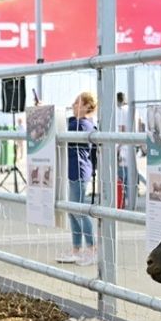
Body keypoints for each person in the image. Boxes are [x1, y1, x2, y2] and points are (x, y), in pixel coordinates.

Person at [58, 92, 98, 266]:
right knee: (73, 211)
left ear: (87, 107)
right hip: (73, 171)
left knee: (79, 211)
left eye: (77, 103)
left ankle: (92, 249)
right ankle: (76, 249)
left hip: (80, 171)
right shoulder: (78, 123)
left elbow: (62, 125)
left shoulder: (83, 125)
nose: (73, 105)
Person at [115, 92, 142, 211]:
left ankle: (123, 201)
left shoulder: (120, 110)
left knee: (122, 175)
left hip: (123, 146)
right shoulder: (133, 110)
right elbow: (140, 124)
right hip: (134, 144)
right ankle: (133, 200)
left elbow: (122, 129)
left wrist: (117, 147)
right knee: (133, 172)